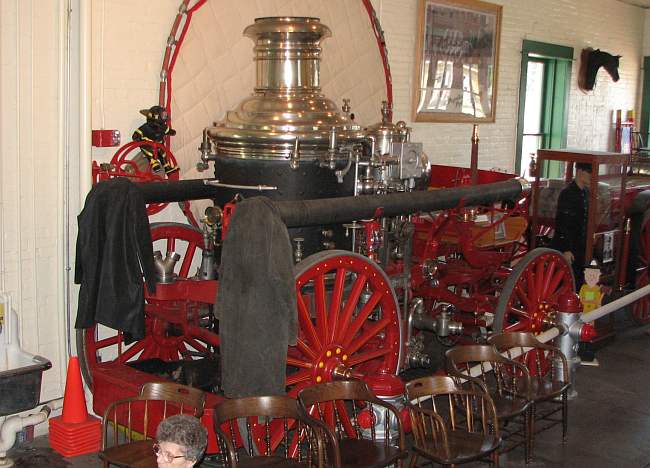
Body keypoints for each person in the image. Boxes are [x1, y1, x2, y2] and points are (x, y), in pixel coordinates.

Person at [551, 162, 592, 288]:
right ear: (580, 171)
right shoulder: (568, 193)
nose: (592, 176)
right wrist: (566, 249)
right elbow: (562, 223)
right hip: (570, 246)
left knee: (578, 280)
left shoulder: (585, 193)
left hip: (580, 246)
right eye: (589, 172)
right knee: (566, 281)